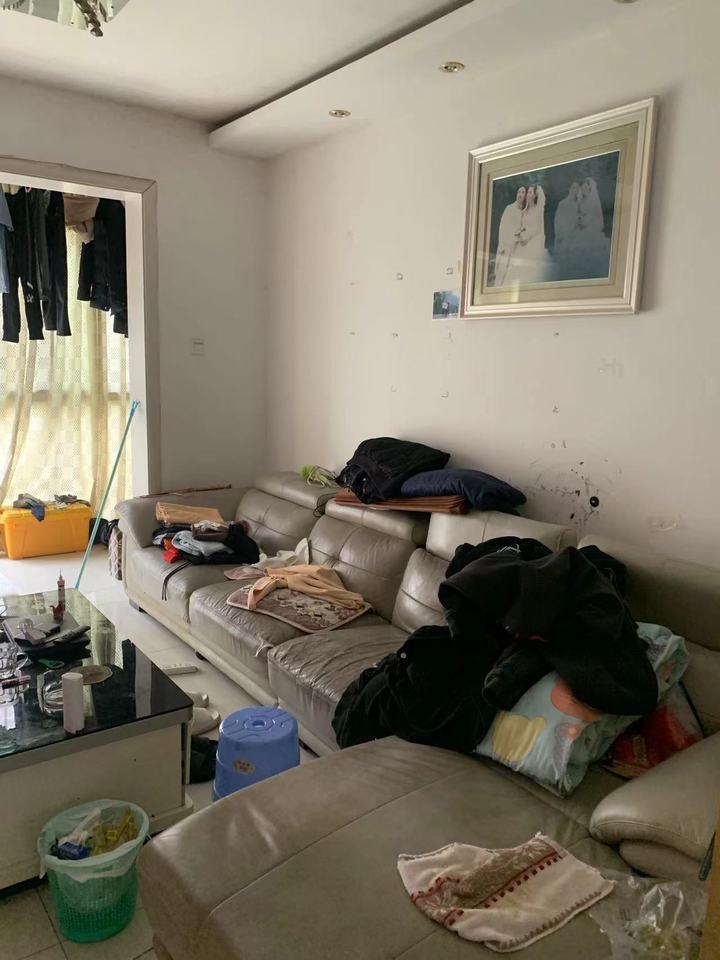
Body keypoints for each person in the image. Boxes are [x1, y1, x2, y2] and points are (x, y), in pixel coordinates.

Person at [492, 185, 526, 287]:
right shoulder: (509, 208)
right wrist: (502, 245)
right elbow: (503, 227)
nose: (520, 195)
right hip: (506, 245)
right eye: (518, 192)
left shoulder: (524, 211)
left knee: (511, 274)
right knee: (502, 271)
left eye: (523, 192)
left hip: (517, 247)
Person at [554, 182, 580, 259]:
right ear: (569, 189)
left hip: (575, 235)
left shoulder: (578, 204)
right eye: (574, 188)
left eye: (577, 188)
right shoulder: (563, 203)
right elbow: (557, 221)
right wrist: (560, 235)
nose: (576, 190)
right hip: (564, 234)